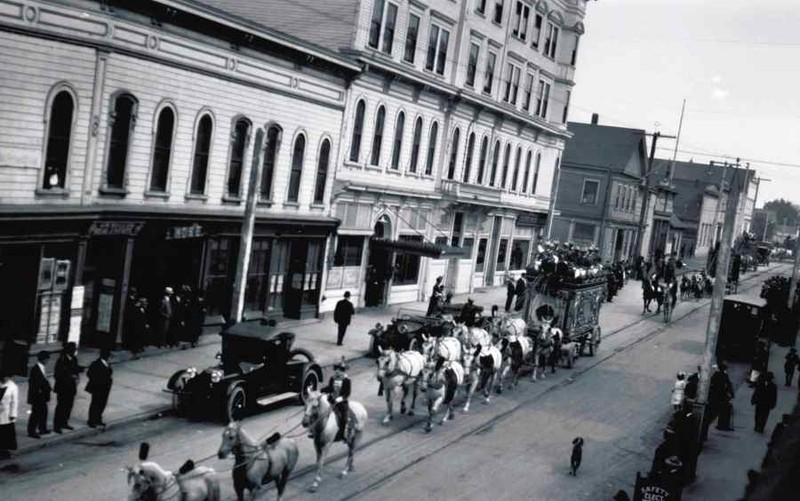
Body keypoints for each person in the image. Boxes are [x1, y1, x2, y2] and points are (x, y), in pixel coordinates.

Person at [53, 342, 82, 433]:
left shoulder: (74, 359)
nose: (74, 351)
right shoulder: (61, 360)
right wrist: (70, 377)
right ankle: (57, 425)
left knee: (69, 406)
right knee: (61, 406)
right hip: (63, 388)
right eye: (73, 350)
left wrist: (77, 376)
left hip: (71, 387)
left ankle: (64, 422)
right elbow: (57, 375)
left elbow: (76, 370)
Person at [320, 359, 351, 441]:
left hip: (341, 402)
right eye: (336, 370)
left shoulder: (346, 380)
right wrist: (321, 390)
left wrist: (339, 399)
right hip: (331, 400)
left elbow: (347, 393)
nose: (337, 372)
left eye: (339, 370)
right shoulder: (332, 378)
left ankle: (342, 434)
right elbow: (329, 388)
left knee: (344, 418)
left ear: (343, 371)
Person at [86, 349, 113, 428]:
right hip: (98, 387)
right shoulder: (96, 364)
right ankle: (91, 420)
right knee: (95, 404)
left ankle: (98, 419)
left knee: (102, 403)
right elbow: (89, 374)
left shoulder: (107, 364)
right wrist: (98, 380)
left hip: (105, 388)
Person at [27, 351, 52, 438]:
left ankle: (42, 428)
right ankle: (31, 431)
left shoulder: (42, 368)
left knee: (44, 412)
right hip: (37, 396)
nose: (48, 361)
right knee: (36, 414)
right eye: (47, 359)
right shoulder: (35, 369)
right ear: (44, 359)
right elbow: (35, 383)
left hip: (42, 395)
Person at [0, 372, 19, 459]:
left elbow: (15, 402)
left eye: (7, 376)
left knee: (5, 432)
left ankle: (5, 450)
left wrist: (13, 414)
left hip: (6, 414)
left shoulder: (13, 386)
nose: (5, 378)